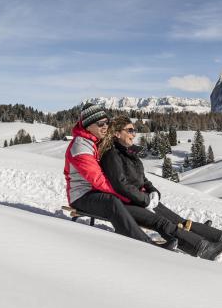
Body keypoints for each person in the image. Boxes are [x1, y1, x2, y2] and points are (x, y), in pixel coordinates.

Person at [99, 116, 222, 259]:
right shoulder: (112, 155)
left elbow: (143, 179)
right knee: (165, 224)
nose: (134, 134)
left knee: (179, 220)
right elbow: (120, 185)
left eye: (134, 130)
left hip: (142, 199)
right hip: (128, 203)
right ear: (117, 133)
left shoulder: (130, 154)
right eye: (130, 130)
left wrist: (153, 192)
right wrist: (145, 200)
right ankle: (203, 248)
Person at [64, 103, 177, 251]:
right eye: (100, 124)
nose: (105, 127)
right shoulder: (81, 147)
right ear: (88, 125)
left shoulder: (94, 141)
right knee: (112, 201)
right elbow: (99, 181)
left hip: (95, 193)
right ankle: (145, 244)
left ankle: (180, 229)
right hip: (81, 196)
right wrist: (128, 197)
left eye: (107, 123)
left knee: (117, 200)